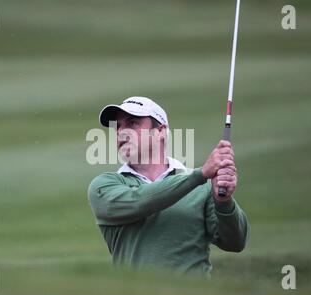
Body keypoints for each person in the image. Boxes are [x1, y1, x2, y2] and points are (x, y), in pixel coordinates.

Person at [87, 96, 250, 277]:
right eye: (118, 126)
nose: (121, 132)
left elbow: (235, 243)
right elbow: (139, 201)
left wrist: (224, 202)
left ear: (161, 132)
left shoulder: (201, 187)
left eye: (132, 123)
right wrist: (200, 174)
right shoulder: (104, 186)